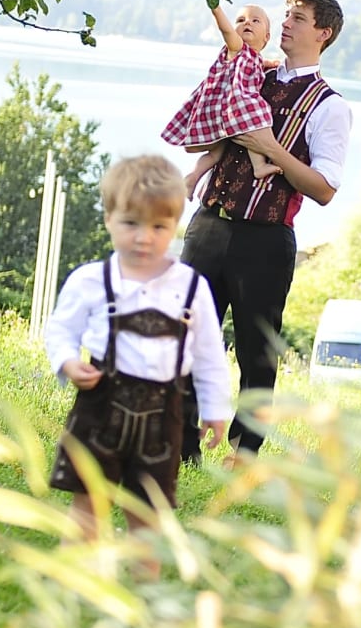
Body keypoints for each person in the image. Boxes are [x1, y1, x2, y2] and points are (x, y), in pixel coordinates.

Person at [181, 0, 350, 458]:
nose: (286, 24)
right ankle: (181, 445)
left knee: (256, 353)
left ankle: (244, 453)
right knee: (186, 336)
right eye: (286, 16)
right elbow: (203, 133)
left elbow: (324, 189)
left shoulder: (330, 106)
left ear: (323, 33)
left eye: (298, 18)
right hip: (209, 224)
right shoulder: (252, 71)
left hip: (266, 240)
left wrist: (272, 150)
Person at [43, 156, 231, 545]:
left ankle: (145, 578)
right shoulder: (91, 280)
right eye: (131, 224)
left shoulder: (191, 287)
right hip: (101, 408)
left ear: (175, 225)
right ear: (109, 219)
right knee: (88, 504)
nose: (144, 238)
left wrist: (215, 409)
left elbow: (210, 355)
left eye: (158, 227)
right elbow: (61, 329)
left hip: (162, 417)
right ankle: (74, 572)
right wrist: (68, 362)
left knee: (147, 514)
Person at [164, 0, 281, 193]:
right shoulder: (236, 47)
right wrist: (216, 9)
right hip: (233, 107)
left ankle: (192, 177)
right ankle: (259, 166)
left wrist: (268, 63)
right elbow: (226, 31)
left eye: (255, 20)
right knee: (261, 115)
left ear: (267, 37)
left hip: (226, 110)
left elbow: (254, 63)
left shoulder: (252, 57)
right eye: (241, 20)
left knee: (216, 152)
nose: (247, 23)